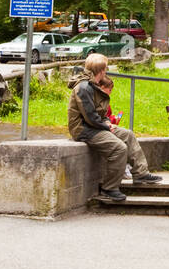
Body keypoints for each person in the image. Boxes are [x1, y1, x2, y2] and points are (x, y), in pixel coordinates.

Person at [68, 53, 162, 203]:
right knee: (119, 148)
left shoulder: (94, 85)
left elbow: (99, 112)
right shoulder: (84, 87)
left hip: (96, 125)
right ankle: (109, 188)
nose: (106, 70)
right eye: (105, 68)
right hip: (84, 129)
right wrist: (105, 126)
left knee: (128, 134)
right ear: (101, 70)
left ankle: (140, 173)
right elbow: (89, 116)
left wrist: (107, 122)